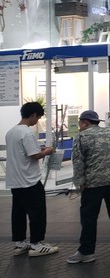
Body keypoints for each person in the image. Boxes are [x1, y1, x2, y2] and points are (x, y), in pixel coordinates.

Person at [67, 110, 110, 264]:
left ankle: (87, 252)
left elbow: (78, 161)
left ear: (85, 122)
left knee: (89, 217)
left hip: (93, 183)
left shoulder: (82, 137)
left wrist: (80, 182)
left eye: (80, 123)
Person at [6, 102, 59, 257]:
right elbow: (34, 155)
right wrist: (48, 151)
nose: (37, 121)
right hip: (29, 180)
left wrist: (39, 150)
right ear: (34, 114)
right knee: (37, 213)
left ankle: (20, 242)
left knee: (18, 212)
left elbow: (23, 152)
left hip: (15, 181)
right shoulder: (27, 133)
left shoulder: (11, 132)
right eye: (38, 117)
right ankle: (36, 244)